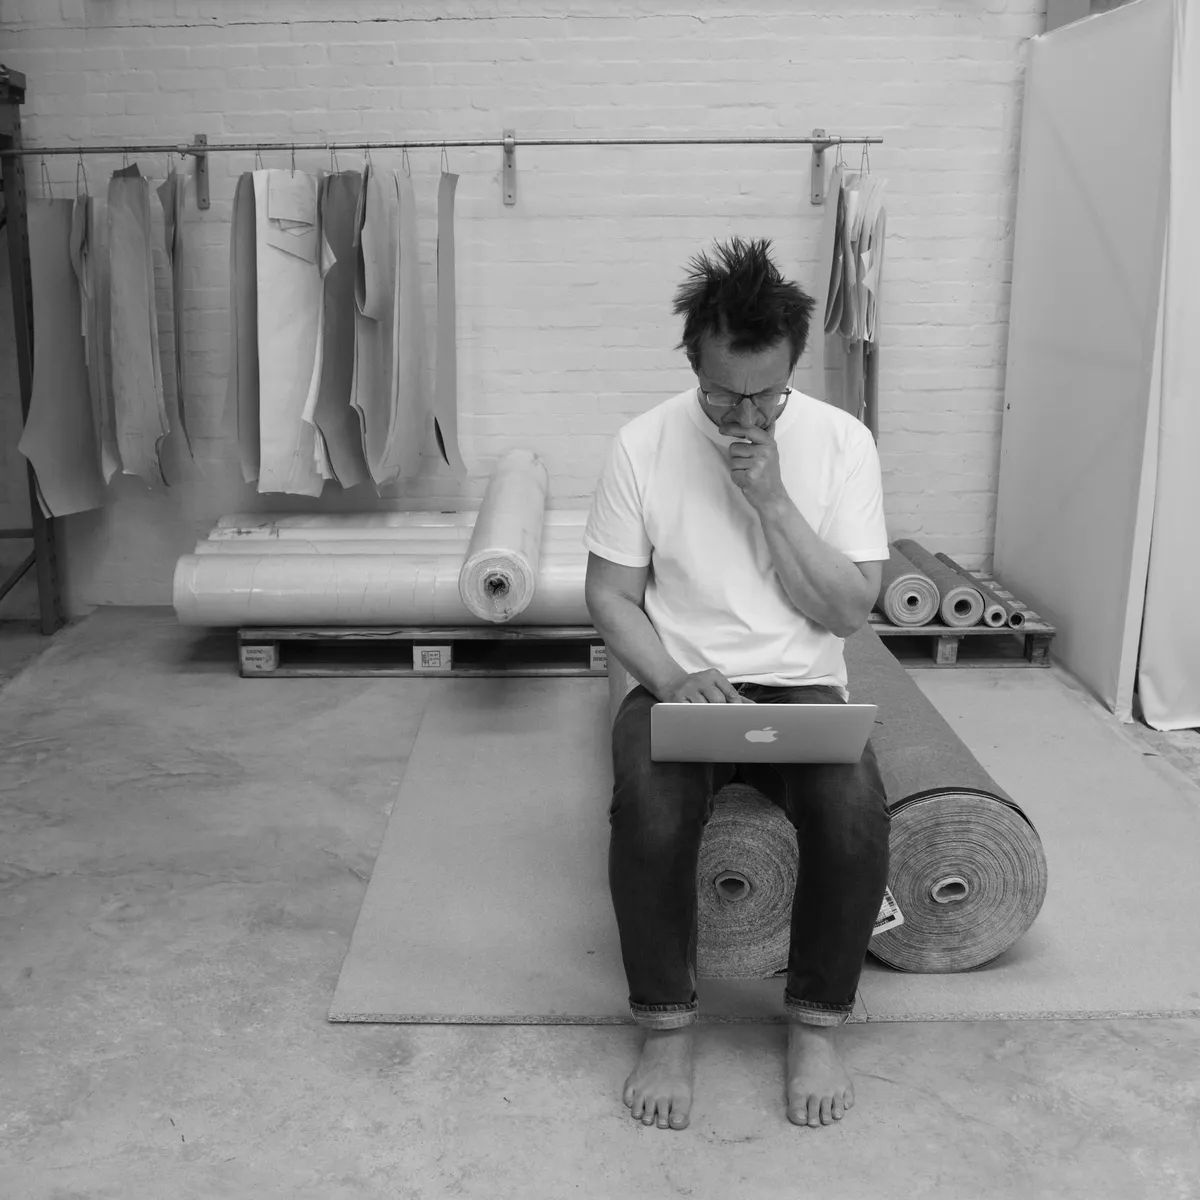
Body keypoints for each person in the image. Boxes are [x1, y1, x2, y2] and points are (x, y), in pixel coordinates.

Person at [582, 235, 891, 1132]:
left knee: (854, 814)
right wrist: (674, 678)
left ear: (793, 367)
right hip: (680, 683)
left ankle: (817, 1025)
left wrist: (773, 500)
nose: (745, 415)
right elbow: (610, 597)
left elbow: (848, 610)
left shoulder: (841, 443)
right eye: (724, 395)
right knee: (649, 809)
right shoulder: (643, 444)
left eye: (767, 395)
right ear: (694, 364)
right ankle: (666, 1029)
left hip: (802, 685)